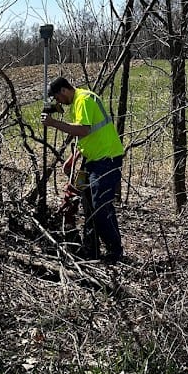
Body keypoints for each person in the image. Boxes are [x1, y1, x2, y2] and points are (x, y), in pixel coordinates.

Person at [41, 75, 125, 264]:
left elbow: (83, 130)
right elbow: (87, 136)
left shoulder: (84, 99)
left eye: (58, 98)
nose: (59, 102)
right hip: (91, 160)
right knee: (87, 205)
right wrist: (73, 158)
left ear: (64, 90)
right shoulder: (77, 102)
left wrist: (53, 123)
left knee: (100, 206)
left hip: (106, 160)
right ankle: (91, 250)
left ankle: (115, 251)